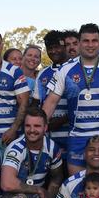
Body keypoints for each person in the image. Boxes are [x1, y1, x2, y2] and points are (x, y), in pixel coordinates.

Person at [42, 23, 99, 175]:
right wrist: (39, 127)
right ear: (80, 43)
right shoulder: (65, 70)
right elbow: (51, 102)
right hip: (77, 138)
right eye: (86, 41)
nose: (90, 45)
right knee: (77, 188)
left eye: (94, 40)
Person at [33, 30, 70, 161]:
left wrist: (61, 121)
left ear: (65, 47)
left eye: (57, 47)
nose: (53, 51)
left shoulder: (74, 69)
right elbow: (36, 104)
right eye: (50, 48)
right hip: (50, 138)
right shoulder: (43, 74)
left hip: (72, 136)